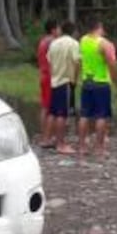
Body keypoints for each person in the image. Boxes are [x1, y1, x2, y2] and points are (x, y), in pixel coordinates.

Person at [77, 18, 117, 158]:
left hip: (86, 81)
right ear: (99, 27)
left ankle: (82, 146)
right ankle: (99, 148)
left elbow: (80, 60)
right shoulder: (105, 44)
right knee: (101, 116)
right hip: (101, 82)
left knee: (84, 115)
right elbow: (112, 65)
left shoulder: (83, 40)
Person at [46, 20, 81, 154]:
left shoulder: (54, 43)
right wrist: (74, 80)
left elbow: (49, 61)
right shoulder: (73, 43)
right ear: (73, 31)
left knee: (54, 112)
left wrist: (54, 75)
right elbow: (77, 62)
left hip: (55, 80)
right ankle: (61, 144)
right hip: (65, 81)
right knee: (62, 114)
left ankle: (53, 139)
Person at [35, 20, 59, 147]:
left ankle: (45, 135)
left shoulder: (43, 41)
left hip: (43, 75)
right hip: (50, 77)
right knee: (51, 108)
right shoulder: (52, 42)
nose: (60, 31)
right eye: (58, 28)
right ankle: (47, 138)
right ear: (53, 29)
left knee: (45, 107)